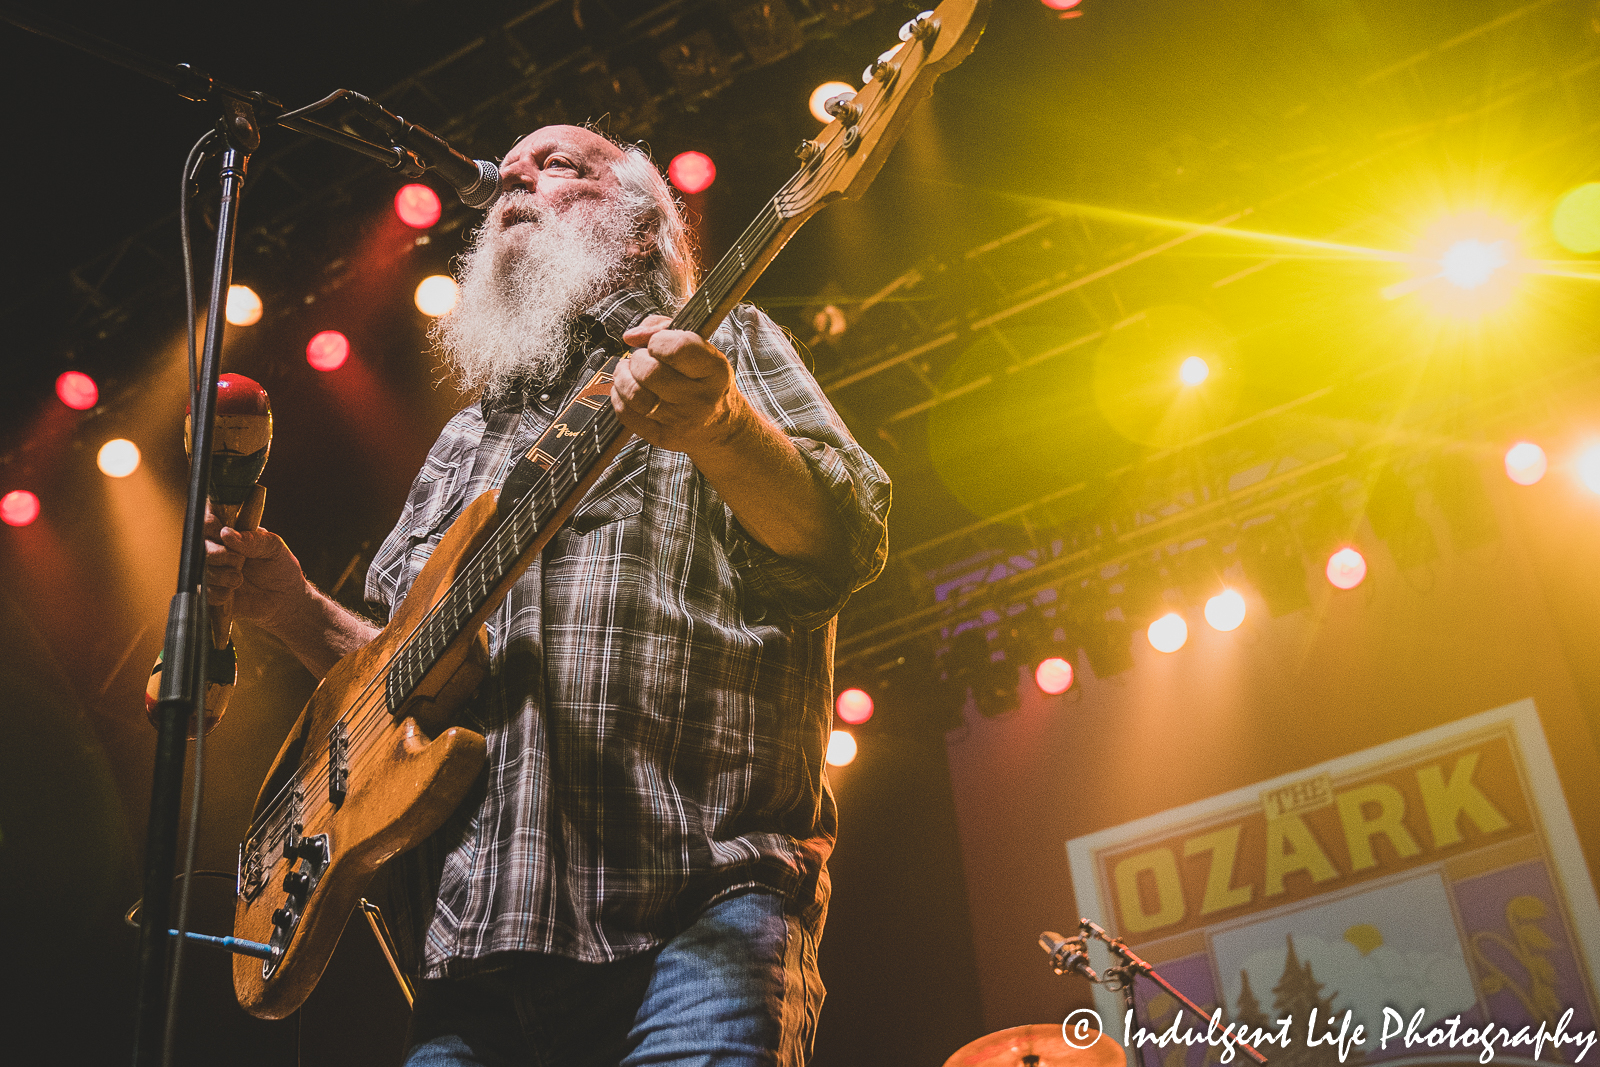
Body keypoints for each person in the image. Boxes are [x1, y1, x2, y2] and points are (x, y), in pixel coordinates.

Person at [204, 124, 891, 1066]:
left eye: (557, 167)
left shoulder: (721, 339)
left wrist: (722, 424)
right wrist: (292, 608)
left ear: (643, 229)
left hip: (696, 918)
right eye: (509, 177)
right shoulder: (466, 435)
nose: (515, 186)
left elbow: (845, 537)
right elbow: (398, 682)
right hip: (471, 961)